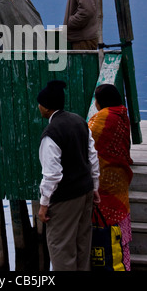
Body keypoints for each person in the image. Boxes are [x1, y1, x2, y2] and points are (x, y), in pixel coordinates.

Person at [37, 80, 100, 271]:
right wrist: (95, 186)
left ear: (46, 108)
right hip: (86, 191)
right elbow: (93, 156)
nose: (38, 107)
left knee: (61, 247)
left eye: (39, 103)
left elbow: (52, 175)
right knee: (82, 243)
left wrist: (44, 204)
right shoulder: (79, 121)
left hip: (66, 197)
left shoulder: (51, 133)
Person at [88, 83, 133, 271]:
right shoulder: (122, 115)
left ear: (100, 102)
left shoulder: (101, 119)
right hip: (120, 178)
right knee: (119, 236)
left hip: (105, 184)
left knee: (108, 235)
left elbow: (84, 140)